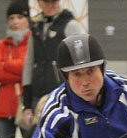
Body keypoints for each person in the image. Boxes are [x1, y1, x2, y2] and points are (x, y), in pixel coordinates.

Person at [21, 0, 85, 129]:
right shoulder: (36, 28)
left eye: (54, 1)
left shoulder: (70, 25)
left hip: (63, 91)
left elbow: (83, 59)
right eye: (46, 1)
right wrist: (26, 104)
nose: (51, 5)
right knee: (37, 134)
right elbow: (28, 63)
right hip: (37, 93)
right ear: (39, 3)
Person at [0, 0, 32, 138]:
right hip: (3, 107)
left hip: (27, 105)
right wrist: (21, 71)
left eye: (20, 17)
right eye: (12, 18)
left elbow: (31, 68)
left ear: (27, 19)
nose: (15, 22)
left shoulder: (33, 42)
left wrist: (5, 64)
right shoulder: (1, 44)